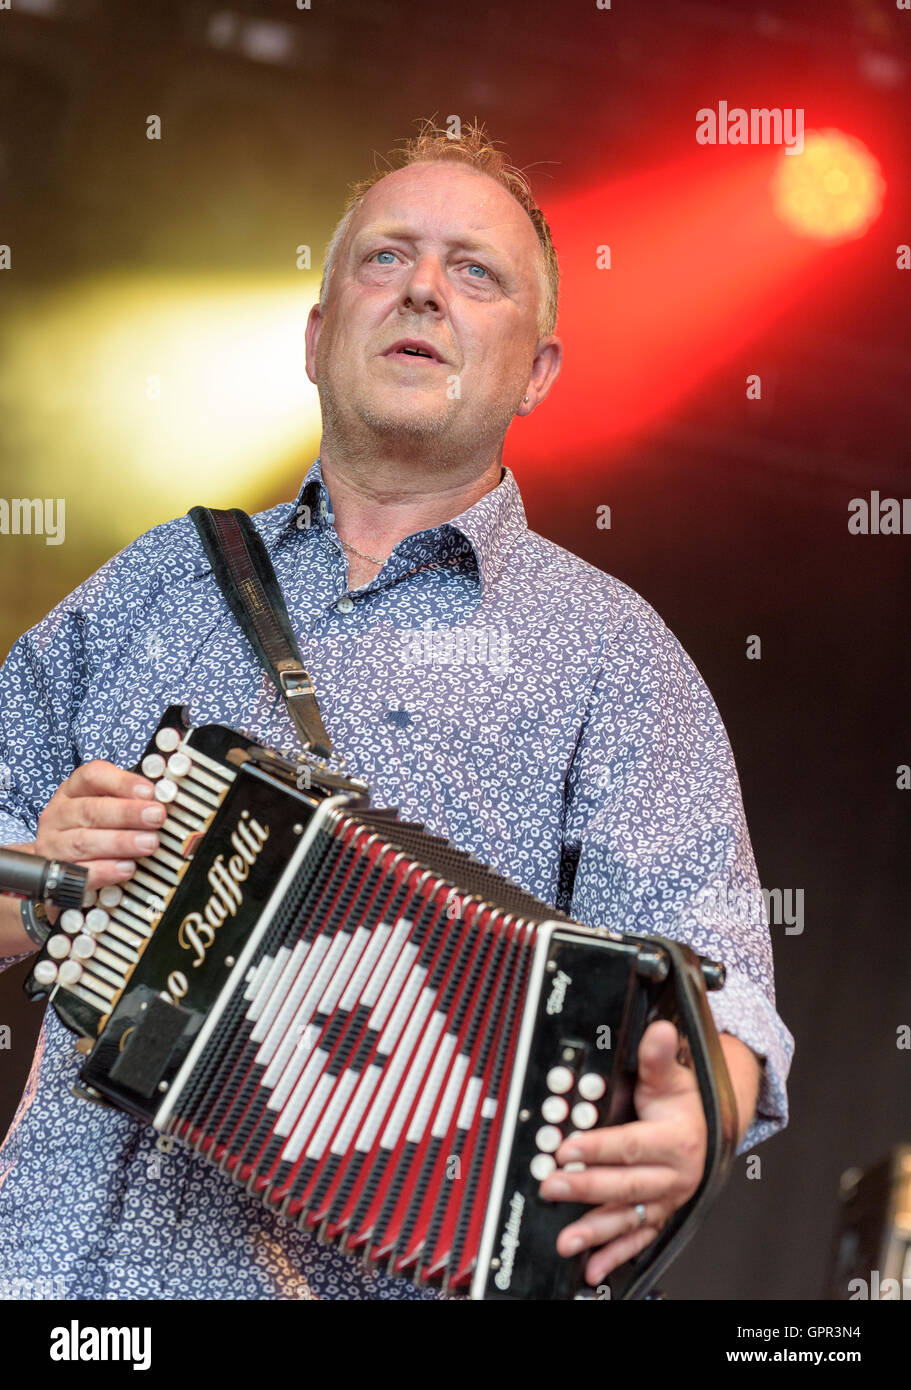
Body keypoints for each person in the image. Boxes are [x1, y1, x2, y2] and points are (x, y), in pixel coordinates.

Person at [0, 119, 793, 1300]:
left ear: (538, 371)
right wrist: (41, 872)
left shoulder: (614, 657)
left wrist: (699, 1114)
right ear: (317, 339)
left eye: (474, 272)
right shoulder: (156, 581)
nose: (421, 285)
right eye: (384, 257)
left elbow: (715, 990)